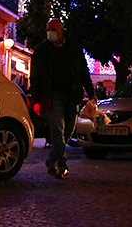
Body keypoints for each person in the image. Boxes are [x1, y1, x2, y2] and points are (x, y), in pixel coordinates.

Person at [29, 18, 96, 180]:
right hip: (51, 95)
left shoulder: (73, 48)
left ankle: (52, 159)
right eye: (48, 29)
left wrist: (91, 92)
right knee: (57, 128)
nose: (50, 33)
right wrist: (36, 99)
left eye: (54, 29)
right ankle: (62, 164)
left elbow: (83, 72)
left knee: (68, 129)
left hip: (72, 95)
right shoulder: (41, 51)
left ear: (61, 31)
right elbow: (35, 77)